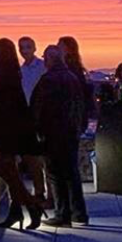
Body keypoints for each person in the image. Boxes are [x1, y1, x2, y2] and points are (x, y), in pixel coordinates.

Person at [0, 38, 43, 229]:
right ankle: (19, 210)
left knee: (5, 169)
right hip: (18, 131)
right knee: (12, 172)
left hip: (3, 133)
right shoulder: (15, 74)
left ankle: (31, 205)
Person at [32, 45, 88, 227]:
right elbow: (81, 106)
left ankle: (62, 214)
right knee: (71, 173)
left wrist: (37, 131)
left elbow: (38, 109)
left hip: (53, 134)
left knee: (55, 174)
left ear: (49, 59)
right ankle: (79, 213)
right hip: (71, 132)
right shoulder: (72, 78)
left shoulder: (47, 80)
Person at [17, 37, 49, 207]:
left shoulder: (43, 67)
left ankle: (48, 194)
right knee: (32, 159)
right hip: (28, 117)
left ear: (35, 48)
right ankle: (39, 192)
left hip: (43, 116)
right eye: (22, 47)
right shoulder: (20, 71)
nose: (24, 50)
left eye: (28, 47)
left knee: (44, 158)